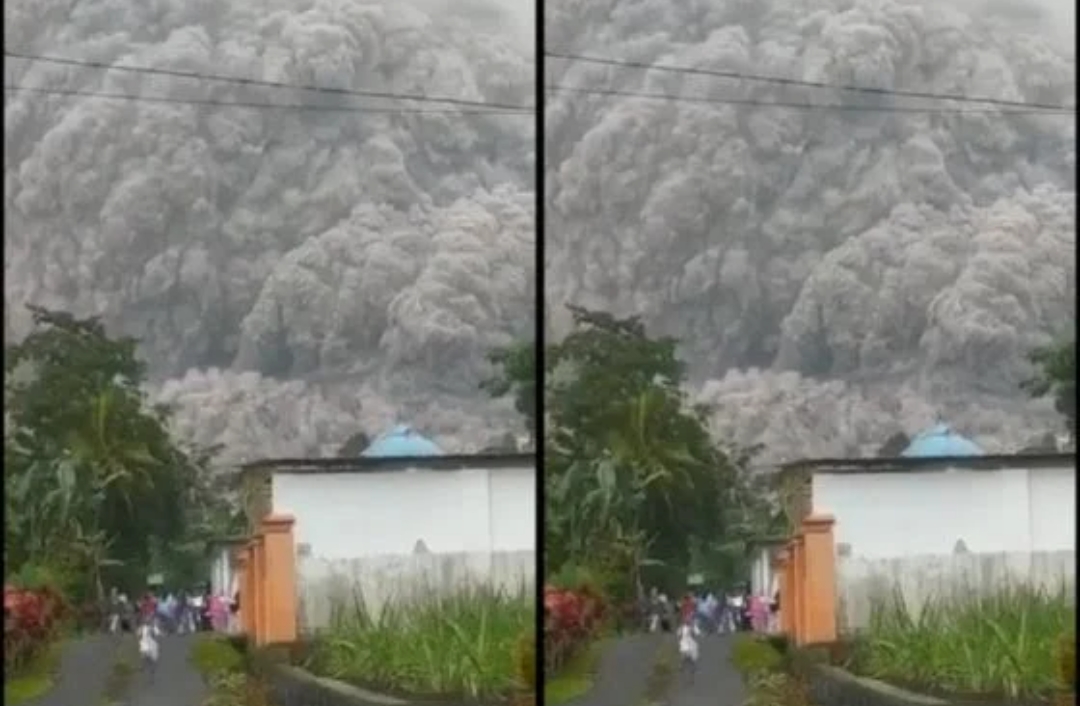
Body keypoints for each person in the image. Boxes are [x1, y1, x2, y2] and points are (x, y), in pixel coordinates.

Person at [676, 617, 701, 681]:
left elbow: (678, 635)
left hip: (688, 643)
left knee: (688, 655)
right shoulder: (683, 628)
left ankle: (682, 665)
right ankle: (683, 665)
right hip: (688, 643)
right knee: (689, 655)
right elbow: (698, 634)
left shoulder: (683, 628)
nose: (687, 622)